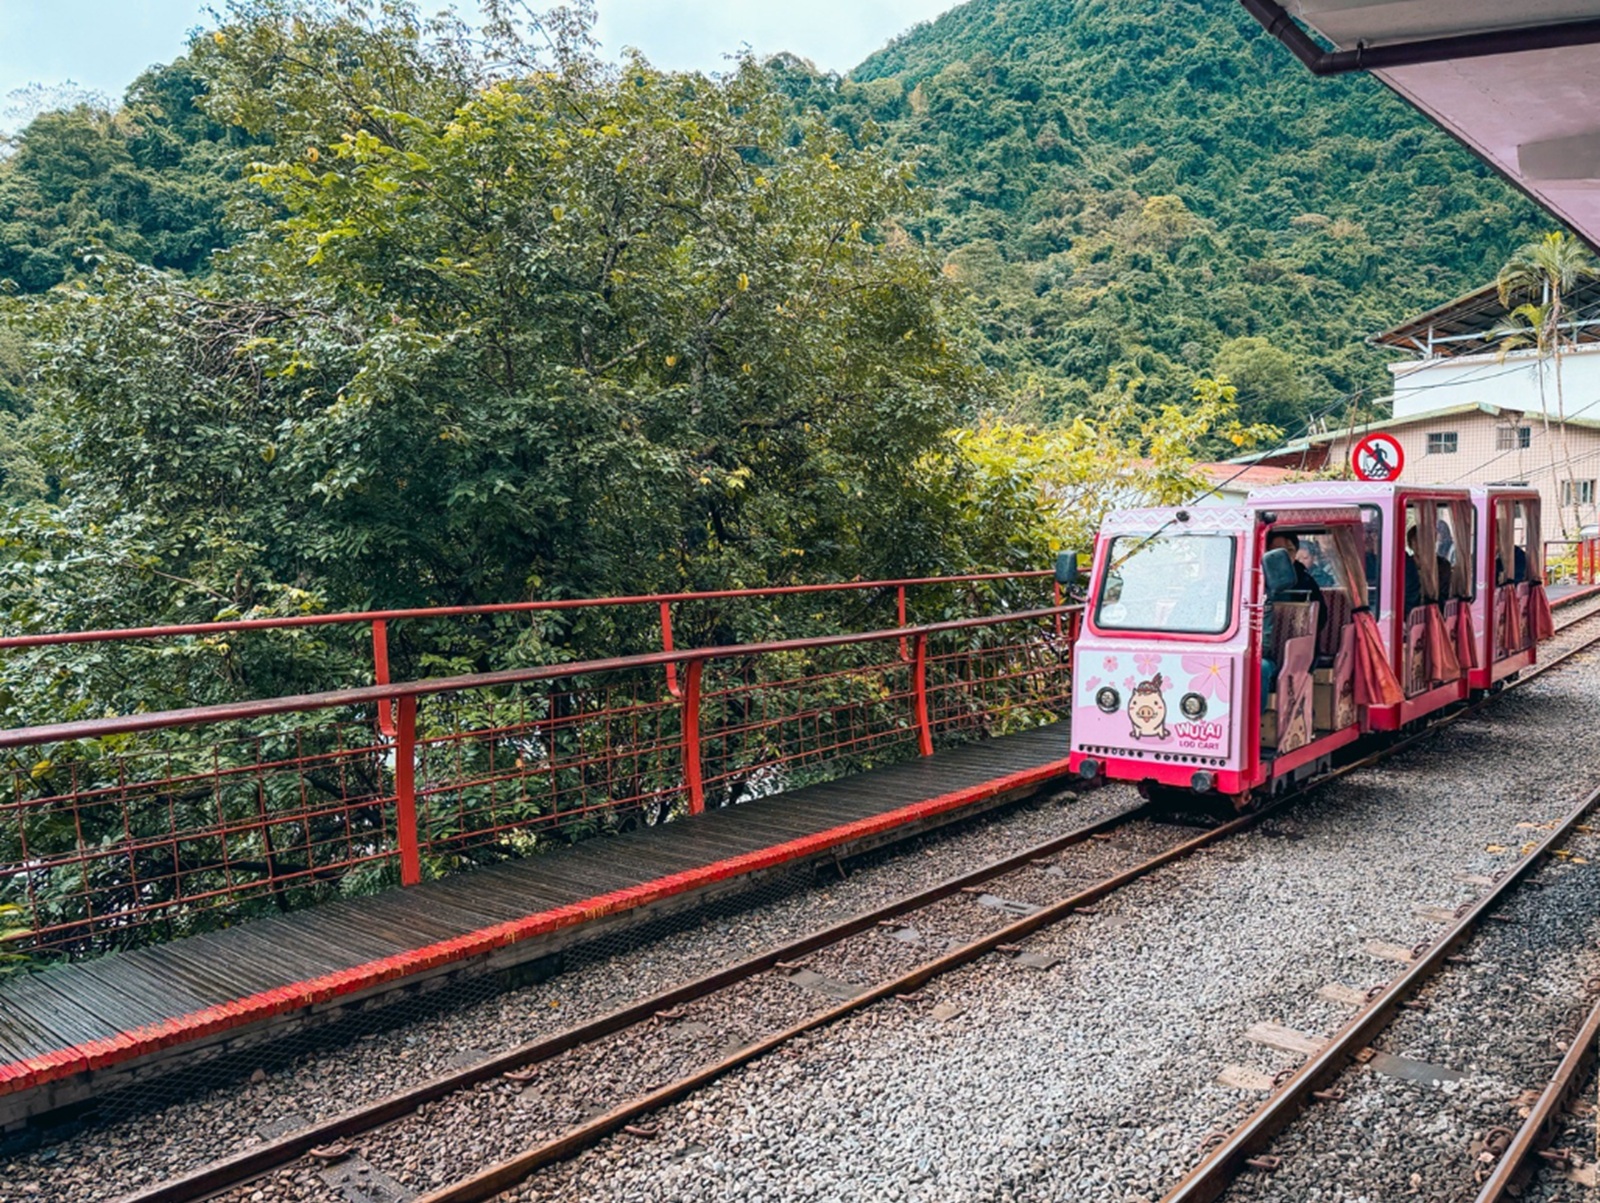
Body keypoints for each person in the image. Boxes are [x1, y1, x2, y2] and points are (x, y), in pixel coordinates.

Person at [1268, 531, 1326, 634]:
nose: (1284, 556)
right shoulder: (1254, 578)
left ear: (1295, 553)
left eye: (1290, 550)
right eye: (1277, 551)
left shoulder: (1306, 580)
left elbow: (1320, 617)